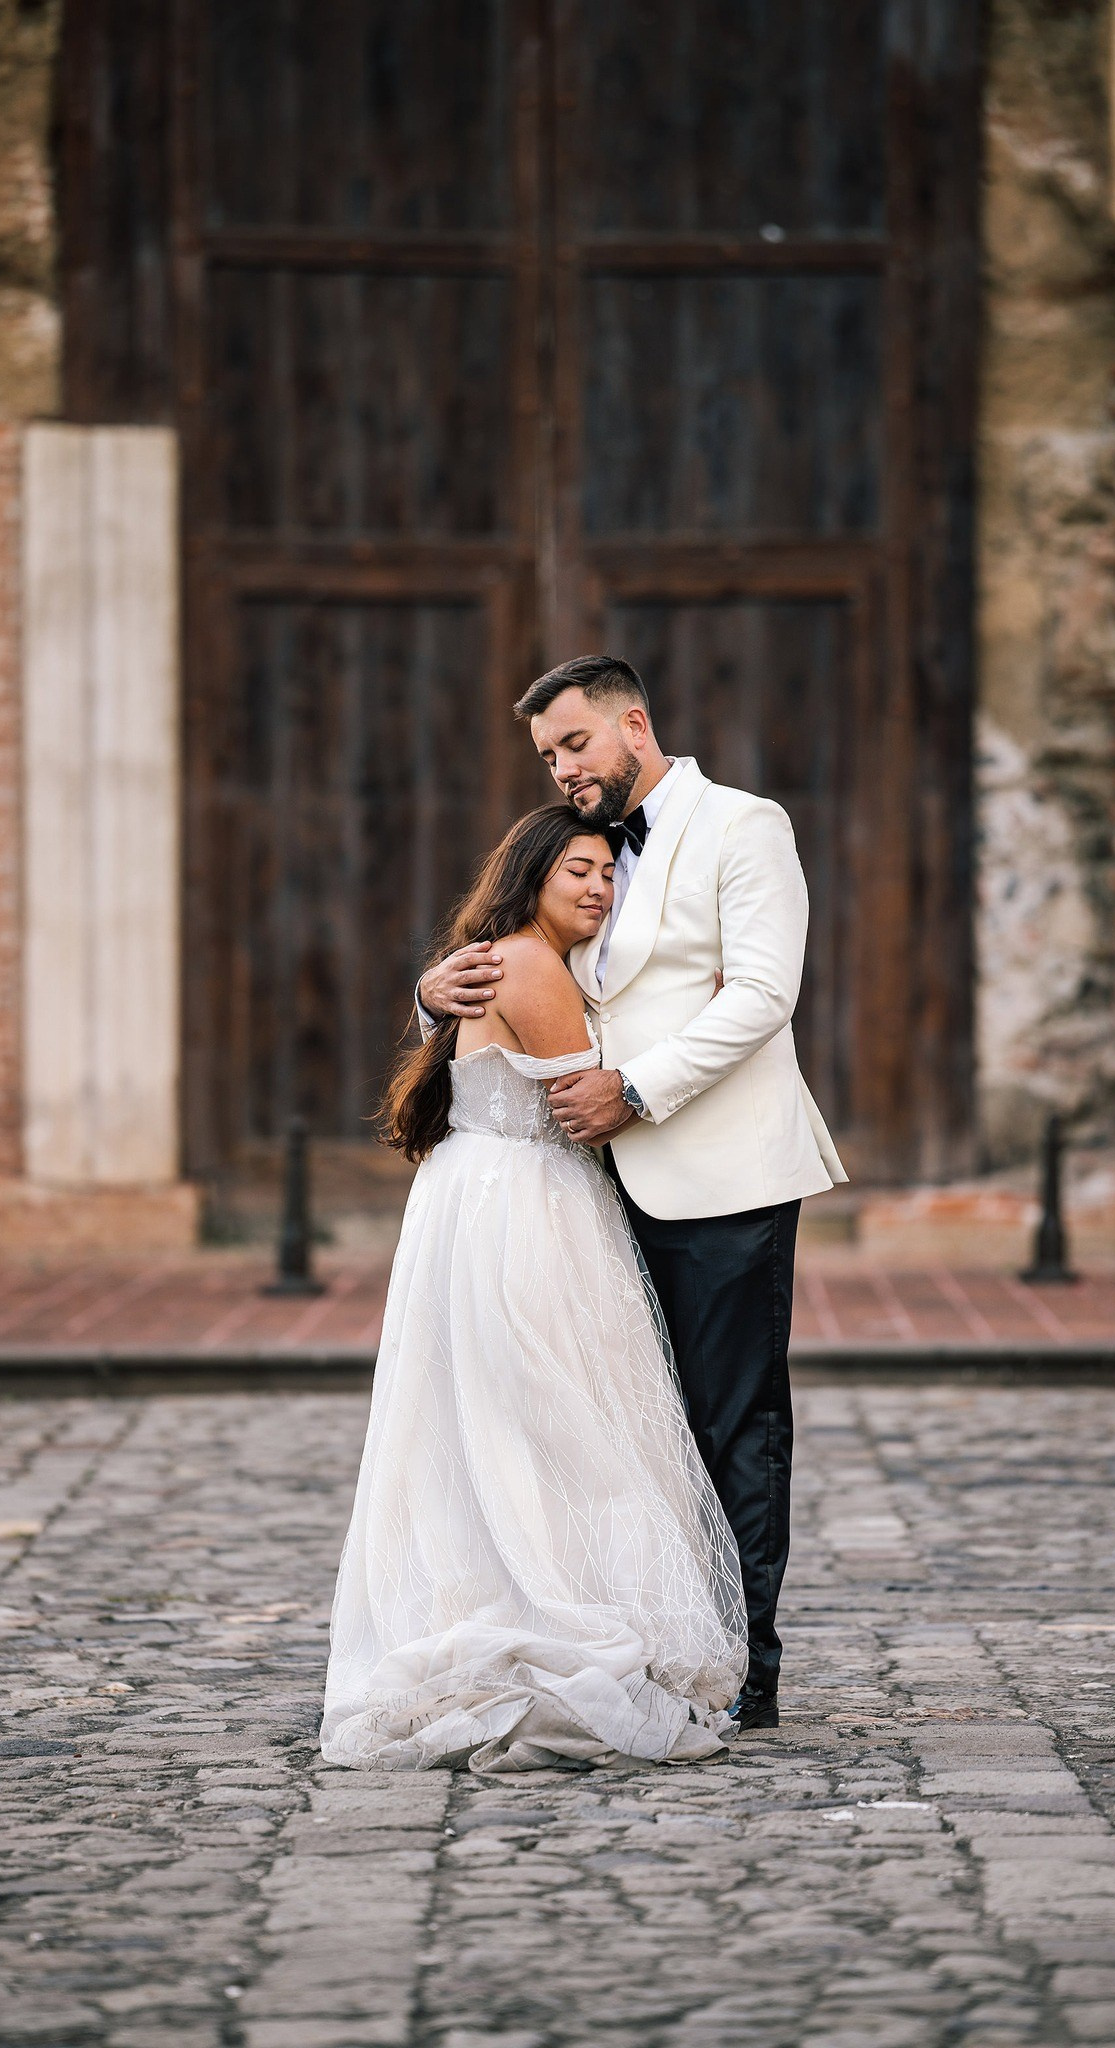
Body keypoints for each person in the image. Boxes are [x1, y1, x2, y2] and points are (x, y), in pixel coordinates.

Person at [419, 655, 846, 1732]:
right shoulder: (591, 853)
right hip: (592, 1193)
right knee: (625, 1431)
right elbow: (535, 971)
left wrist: (640, 1088)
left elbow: (760, 991)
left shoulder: (741, 825)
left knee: (730, 1421)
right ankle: (654, 1637)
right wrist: (434, 998)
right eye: (547, 757)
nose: (562, 769)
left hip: (719, 1172)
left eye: (574, 744)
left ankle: (746, 1663)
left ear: (634, 725)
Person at [321, 803, 747, 1775]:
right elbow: (589, 1107)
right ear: (529, 877)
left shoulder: (505, 957)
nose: (599, 888)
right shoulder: (530, 962)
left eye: (608, 874)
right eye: (578, 873)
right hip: (524, 1207)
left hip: (483, 1197)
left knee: (494, 1424)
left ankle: (504, 1594)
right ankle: (557, 1618)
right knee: (561, 1421)